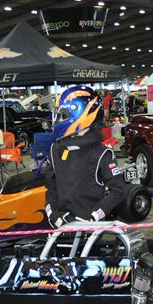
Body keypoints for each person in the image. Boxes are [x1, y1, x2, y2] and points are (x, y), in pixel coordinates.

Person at [44, 86, 126, 227]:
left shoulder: (101, 153)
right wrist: (53, 214)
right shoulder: (55, 150)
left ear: (81, 114)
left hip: (90, 227)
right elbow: (50, 188)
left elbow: (118, 191)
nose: (59, 119)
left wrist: (94, 216)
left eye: (63, 115)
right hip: (61, 225)